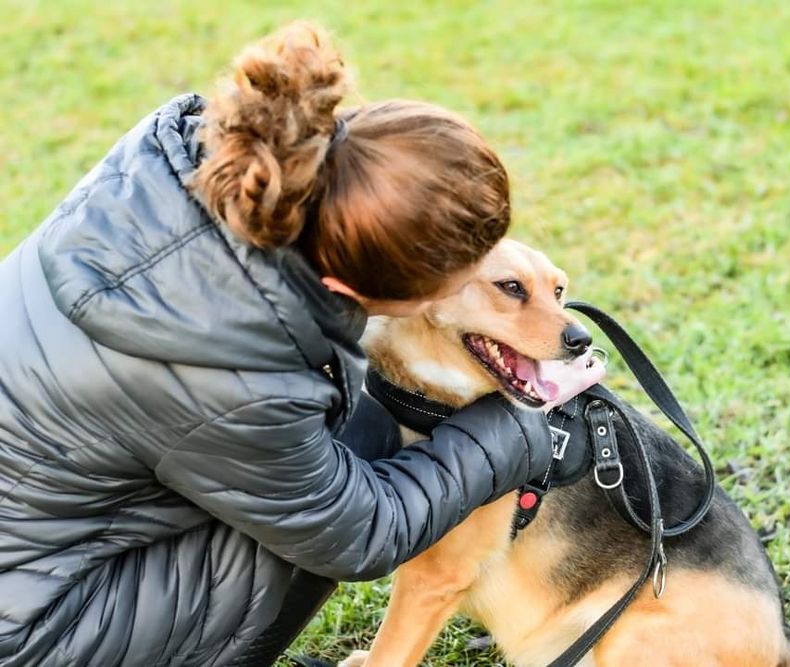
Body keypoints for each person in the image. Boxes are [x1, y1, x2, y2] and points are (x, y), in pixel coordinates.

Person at [0, 22, 580, 666]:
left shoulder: (194, 164)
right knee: (352, 455)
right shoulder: (233, 375)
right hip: (32, 634)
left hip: (31, 550)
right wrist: (516, 430)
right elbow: (357, 533)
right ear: (342, 283)